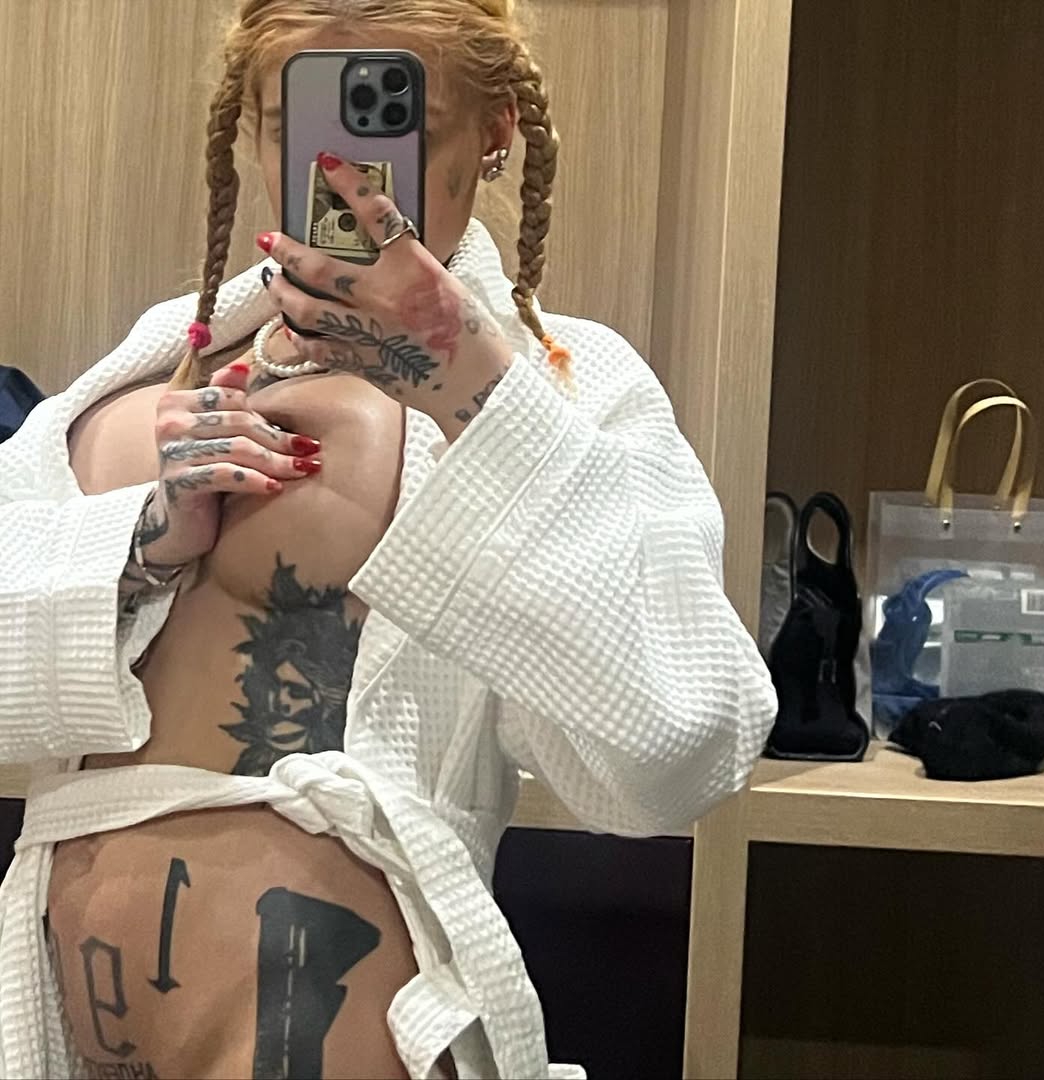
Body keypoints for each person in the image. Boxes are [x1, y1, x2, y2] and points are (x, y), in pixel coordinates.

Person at [0, 1, 777, 1077]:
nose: (345, 175)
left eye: (394, 122)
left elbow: (680, 752)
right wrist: (139, 545)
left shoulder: (564, 394)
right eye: (298, 125)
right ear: (252, 129)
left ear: (494, 133)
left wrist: (467, 376)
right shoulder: (154, 366)